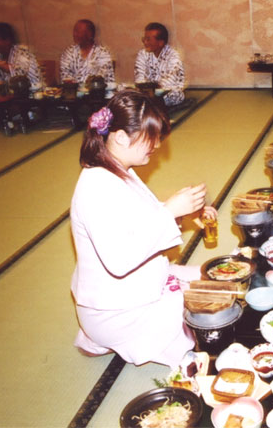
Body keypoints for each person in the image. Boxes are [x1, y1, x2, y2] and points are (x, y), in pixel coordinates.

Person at [70, 90, 216, 368]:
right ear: (120, 137)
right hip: (119, 311)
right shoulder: (95, 187)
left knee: (212, 277)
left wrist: (182, 212)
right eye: (151, 136)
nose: (157, 144)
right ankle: (113, 337)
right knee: (206, 323)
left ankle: (108, 337)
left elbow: (137, 220)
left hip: (132, 289)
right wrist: (170, 211)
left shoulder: (116, 169)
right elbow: (119, 261)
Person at [0, 22, 43, 89]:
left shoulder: (22, 53)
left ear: (8, 40)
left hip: (34, 92)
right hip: (11, 93)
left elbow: (19, 75)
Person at [134, 22, 185, 106]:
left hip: (166, 92)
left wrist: (154, 90)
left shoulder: (173, 55)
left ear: (160, 42)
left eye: (148, 39)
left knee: (176, 95)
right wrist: (144, 89)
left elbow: (171, 80)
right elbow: (139, 76)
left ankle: (150, 105)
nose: (145, 42)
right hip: (146, 92)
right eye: (144, 39)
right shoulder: (142, 54)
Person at [60, 19, 116, 86]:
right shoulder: (69, 52)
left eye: (78, 31)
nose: (75, 34)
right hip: (72, 90)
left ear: (90, 34)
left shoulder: (102, 53)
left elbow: (104, 78)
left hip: (96, 90)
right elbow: (65, 74)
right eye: (74, 31)